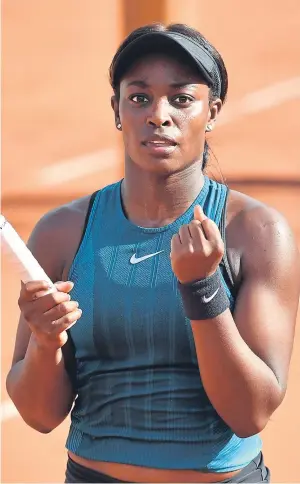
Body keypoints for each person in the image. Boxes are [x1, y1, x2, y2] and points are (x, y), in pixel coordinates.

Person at [6, 22, 300, 484]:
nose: (159, 114)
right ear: (117, 110)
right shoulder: (61, 233)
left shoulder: (256, 233)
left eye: (182, 98)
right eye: (139, 97)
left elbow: (251, 411)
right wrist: (46, 343)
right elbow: (39, 415)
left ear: (213, 111)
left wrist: (202, 289)